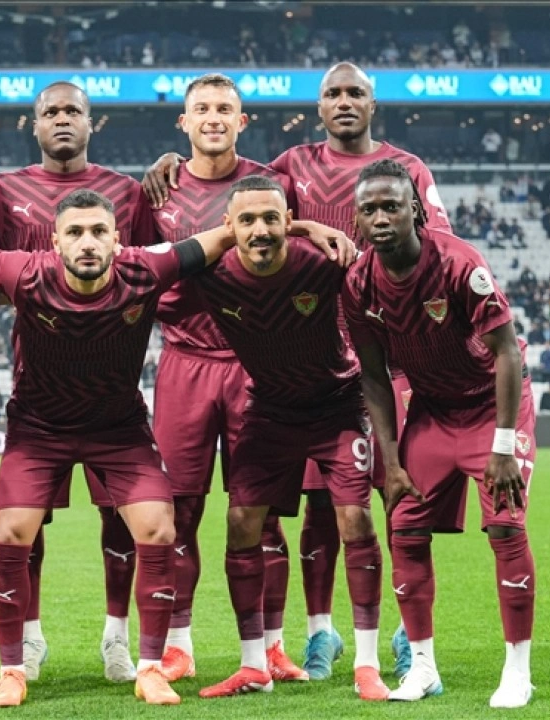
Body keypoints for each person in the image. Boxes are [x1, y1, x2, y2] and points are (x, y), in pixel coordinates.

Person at [143, 62, 450, 681]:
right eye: (333, 93)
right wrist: (167, 163)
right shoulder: (270, 169)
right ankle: (271, 638)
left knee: (373, 502)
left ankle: (386, 635)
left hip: (339, 356)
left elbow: (428, 248)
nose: (344, 101)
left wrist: (313, 228)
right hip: (232, 359)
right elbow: (245, 220)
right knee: (246, 508)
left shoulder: (393, 167)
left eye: (355, 92)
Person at [0, 188, 253, 707]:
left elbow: (222, 237)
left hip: (118, 431)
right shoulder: (24, 272)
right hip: (39, 431)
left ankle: (149, 668)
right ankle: (11, 671)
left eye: (98, 232)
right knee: (11, 532)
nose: (87, 242)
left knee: (159, 528)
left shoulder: (145, 269)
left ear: (118, 240)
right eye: (75, 232)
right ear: (56, 242)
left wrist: (304, 228)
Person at [0, 80, 158, 683]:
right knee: (25, 523)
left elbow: (153, 268)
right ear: (33, 124)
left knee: (121, 519)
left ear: (92, 122)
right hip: (39, 391)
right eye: (51, 112)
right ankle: (29, 640)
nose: (63, 119)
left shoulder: (128, 193)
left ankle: (117, 639)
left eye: (73, 111)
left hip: (113, 390)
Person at [156, 176, 387, 701]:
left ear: (287, 221)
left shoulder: (324, 262)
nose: (259, 230)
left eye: (270, 219)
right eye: (246, 221)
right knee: (241, 522)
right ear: (227, 228)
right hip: (270, 410)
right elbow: (145, 279)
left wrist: (312, 230)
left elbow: (382, 286)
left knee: (354, 519)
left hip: (337, 405)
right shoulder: (209, 276)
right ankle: (253, 664)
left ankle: (367, 664)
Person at [341, 159, 537, 708]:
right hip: (432, 411)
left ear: (415, 209)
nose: (381, 218)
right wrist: (391, 462)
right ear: (357, 219)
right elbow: (373, 378)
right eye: (369, 209)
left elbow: (506, 353)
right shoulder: (357, 284)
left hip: (492, 407)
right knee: (404, 527)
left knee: (505, 527)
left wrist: (503, 446)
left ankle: (517, 671)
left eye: (391, 206)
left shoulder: (458, 262)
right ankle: (422, 668)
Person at [146, 73, 302, 684]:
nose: (213, 117)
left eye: (224, 109)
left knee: (262, 515)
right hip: (184, 363)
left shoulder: (271, 185)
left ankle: (271, 646)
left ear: (242, 121)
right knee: (179, 511)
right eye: (202, 109)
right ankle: (179, 645)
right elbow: (137, 270)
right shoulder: (155, 191)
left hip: (259, 366)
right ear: (183, 122)